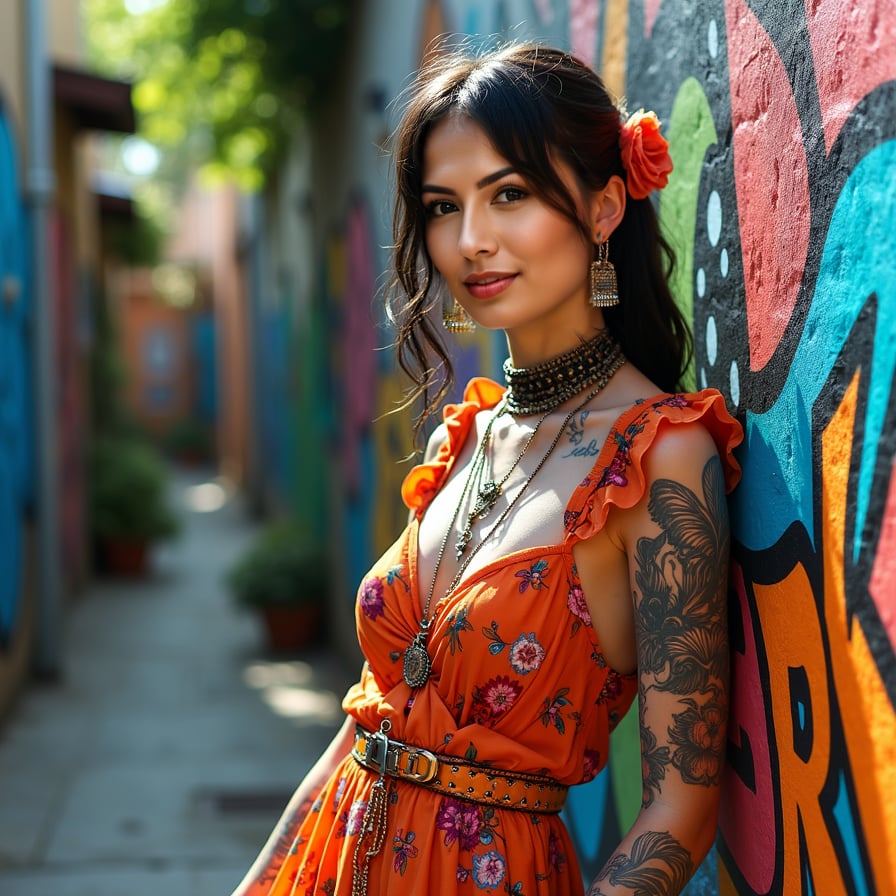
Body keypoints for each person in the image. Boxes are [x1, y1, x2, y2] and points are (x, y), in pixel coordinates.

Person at [232, 43, 742, 896]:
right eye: (443, 206)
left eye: (509, 194)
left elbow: (680, 811)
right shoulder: (464, 438)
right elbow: (370, 720)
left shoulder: (662, 459)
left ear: (606, 204)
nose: (470, 242)